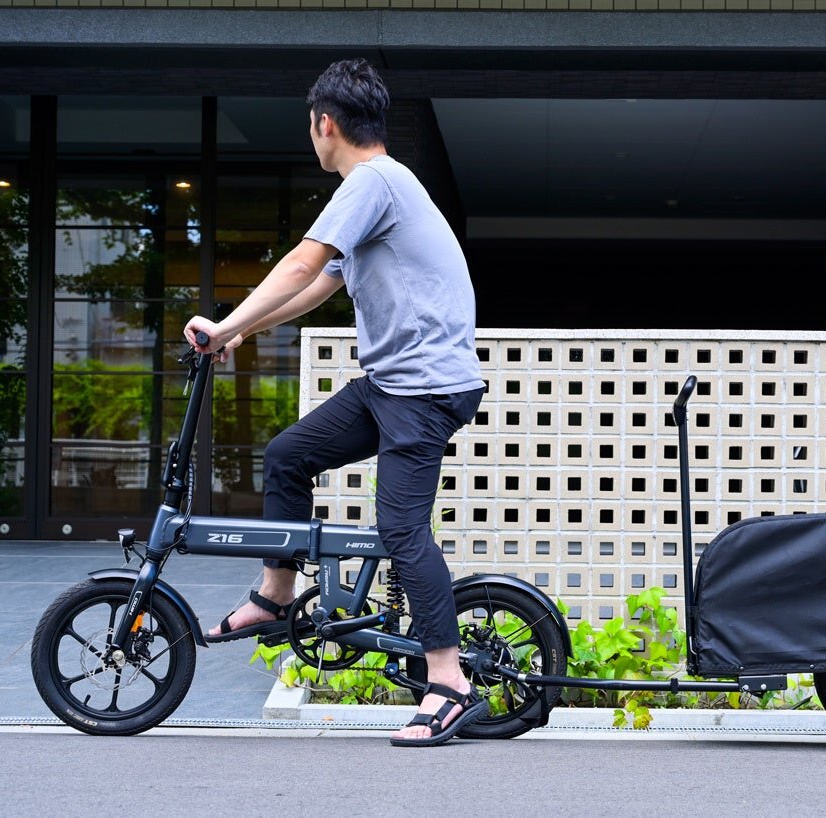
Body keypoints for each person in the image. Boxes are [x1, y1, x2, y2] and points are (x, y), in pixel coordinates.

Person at [183, 58, 488, 748]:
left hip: (425, 389)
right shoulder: (384, 188)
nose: (312, 139)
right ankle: (276, 595)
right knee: (288, 455)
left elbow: (299, 260)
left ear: (326, 124)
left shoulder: (372, 180)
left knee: (402, 530)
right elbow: (318, 284)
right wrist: (240, 334)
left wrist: (225, 323)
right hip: (390, 384)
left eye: (311, 128)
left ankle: (449, 683)